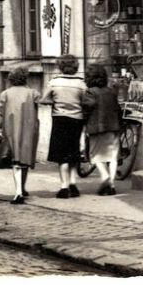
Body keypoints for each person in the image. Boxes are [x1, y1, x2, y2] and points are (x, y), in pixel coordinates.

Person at [40, 54, 93, 199]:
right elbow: (87, 102)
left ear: (60, 66)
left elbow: (43, 100)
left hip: (60, 119)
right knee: (73, 152)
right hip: (77, 120)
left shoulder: (54, 82)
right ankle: (73, 184)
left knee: (61, 155)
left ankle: (64, 186)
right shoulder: (81, 83)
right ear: (75, 66)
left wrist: (56, 102)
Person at [0, 65, 39, 205]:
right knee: (25, 159)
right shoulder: (33, 93)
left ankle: (18, 192)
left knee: (16, 161)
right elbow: (43, 102)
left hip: (11, 130)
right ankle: (23, 188)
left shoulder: (5, 94)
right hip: (29, 129)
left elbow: (0, 114)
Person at [86, 64, 124, 194]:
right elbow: (117, 109)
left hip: (97, 128)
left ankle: (105, 176)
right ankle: (111, 185)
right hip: (113, 127)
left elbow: (87, 109)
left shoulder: (91, 92)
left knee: (96, 155)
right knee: (112, 156)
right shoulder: (111, 91)